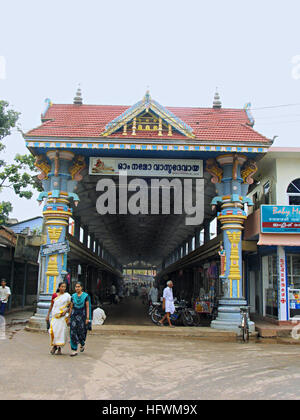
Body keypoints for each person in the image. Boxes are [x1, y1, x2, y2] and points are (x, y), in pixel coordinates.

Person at [46, 282, 71, 355]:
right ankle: (54, 346)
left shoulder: (67, 296)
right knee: (53, 331)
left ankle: (59, 348)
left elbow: (70, 306)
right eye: (62, 286)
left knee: (61, 333)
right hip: (55, 316)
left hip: (62, 317)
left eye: (64, 287)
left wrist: (66, 312)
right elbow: (51, 305)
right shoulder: (54, 295)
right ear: (59, 287)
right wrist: (48, 315)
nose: (63, 288)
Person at [69, 282, 91, 357]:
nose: (77, 288)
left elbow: (88, 307)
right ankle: (74, 349)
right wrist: (69, 317)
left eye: (78, 287)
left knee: (81, 331)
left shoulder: (86, 296)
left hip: (82, 316)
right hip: (74, 315)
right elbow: (71, 307)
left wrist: (88, 318)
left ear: (81, 287)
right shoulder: (73, 296)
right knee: (72, 331)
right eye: (76, 287)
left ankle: (82, 343)